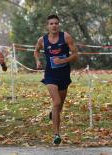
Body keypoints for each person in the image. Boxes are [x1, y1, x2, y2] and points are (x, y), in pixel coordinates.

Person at [34, 14, 78, 144]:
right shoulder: (42, 40)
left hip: (64, 74)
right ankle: (56, 134)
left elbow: (75, 55)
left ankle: (53, 113)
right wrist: (37, 61)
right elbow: (36, 51)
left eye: (56, 23)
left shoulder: (66, 37)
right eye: (51, 24)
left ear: (59, 25)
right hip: (50, 75)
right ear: (47, 26)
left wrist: (63, 60)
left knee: (59, 107)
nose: (54, 26)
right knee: (57, 102)